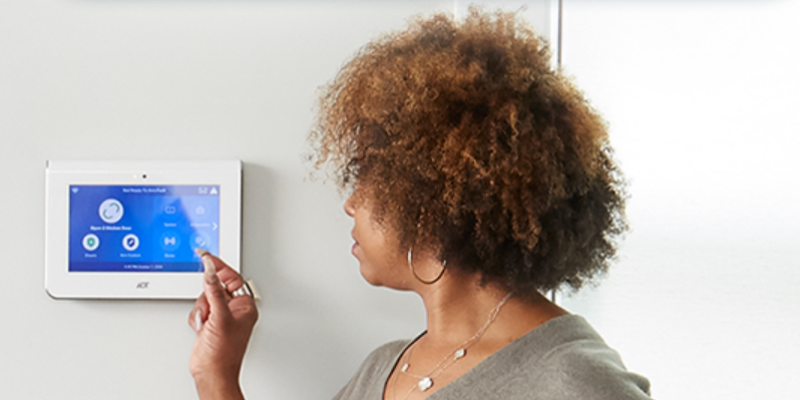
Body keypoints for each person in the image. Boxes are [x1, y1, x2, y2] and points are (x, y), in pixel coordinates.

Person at [188, 8, 652, 400]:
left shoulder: (577, 383)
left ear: (429, 195)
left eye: (366, 175)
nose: (350, 203)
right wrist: (216, 374)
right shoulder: (384, 368)